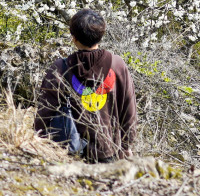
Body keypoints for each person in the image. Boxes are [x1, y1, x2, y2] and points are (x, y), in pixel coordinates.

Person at [34, 9, 137, 163]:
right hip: (108, 150)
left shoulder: (60, 68)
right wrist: (126, 144)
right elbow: (129, 108)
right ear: (101, 36)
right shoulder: (117, 65)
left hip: (68, 151)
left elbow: (45, 109)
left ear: (74, 38)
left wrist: (37, 136)